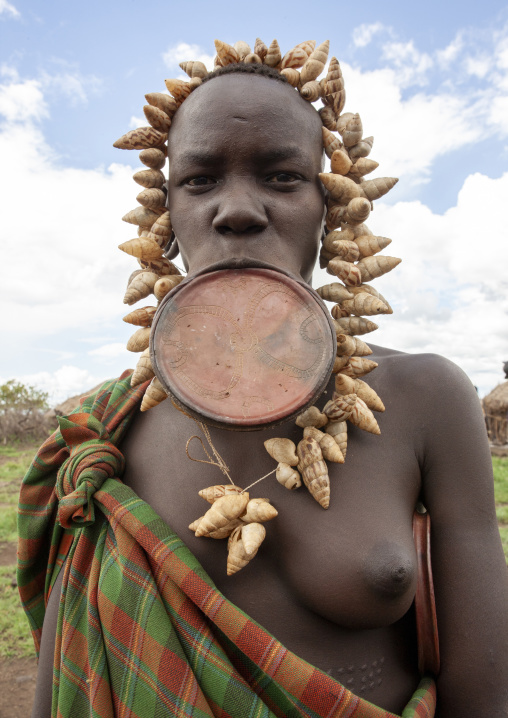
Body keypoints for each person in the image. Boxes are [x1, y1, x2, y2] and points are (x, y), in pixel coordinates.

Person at [18, 41, 508, 718]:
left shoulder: (426, 398)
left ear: (331, 207)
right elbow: (63, 678)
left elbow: (485, 694)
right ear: (165, 222)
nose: (238, 210)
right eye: (199, 180)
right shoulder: (104, 431)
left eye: (282, 177)